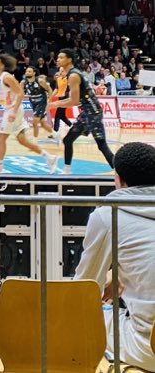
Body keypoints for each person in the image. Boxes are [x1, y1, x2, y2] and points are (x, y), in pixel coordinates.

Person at [74, 142, 155, 370]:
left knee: (82, 315)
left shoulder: (107, 215)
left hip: (147, 348)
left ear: (119, 179)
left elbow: (83, 287)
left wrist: (109, 278)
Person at [0, 53, 58, 174]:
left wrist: (14, 111)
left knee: (1, 138)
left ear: (2, 65)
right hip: (9, 110)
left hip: (13, 110)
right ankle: (50, 158)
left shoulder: (6, 77)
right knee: (22, 140)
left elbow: (20, 93)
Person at [52, 48, 115, 174]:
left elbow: (74, 101)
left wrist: (55, 104)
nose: (58, 59)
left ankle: (120, 171)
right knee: (67, 140)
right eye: (58, 57)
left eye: (61, 57)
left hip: (93, 112)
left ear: (69, 60)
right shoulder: (72, 74)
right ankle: (66, 171)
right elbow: (73, 99)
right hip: (86, 113)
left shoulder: (73, 75)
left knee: (101, 144)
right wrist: (55, 104)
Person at [21, 66, 57, 142]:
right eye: (26, 71)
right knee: (43, 123)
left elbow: (49, 89)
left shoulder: (40, 81)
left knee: (34, 122)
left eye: (29, 71)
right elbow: (20, 92)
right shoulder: (23, 82)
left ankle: (34, 139)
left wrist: (49, 100)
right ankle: (55, 134)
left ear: (34, 73)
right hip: (33, 102)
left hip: (41, 102)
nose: (27, 73)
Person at [51, 68, 72, 136]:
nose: (61, 72)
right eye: (60, 71)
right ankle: (71, 125)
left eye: (62, 71)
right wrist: (50, 97)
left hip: (66, 98)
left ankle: (55, 131)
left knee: (57, 115)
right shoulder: (59, 79)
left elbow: (71, 88)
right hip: (60, 98)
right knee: (62, 115)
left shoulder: (68, 79)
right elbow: (56, 89)